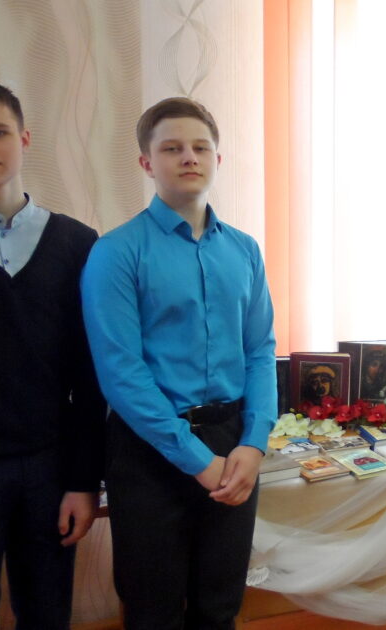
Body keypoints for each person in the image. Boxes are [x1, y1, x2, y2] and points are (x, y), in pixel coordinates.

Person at [81, 97, 276, 629]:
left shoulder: (245, 250)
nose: (189, 157)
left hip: (232, 442)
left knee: (220, 604)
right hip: (149, 448)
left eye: (200, 147)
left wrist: (254, 441)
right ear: (147, 162)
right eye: (172, 148)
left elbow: (260, 350)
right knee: (153, 609)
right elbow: (121, 373)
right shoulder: (116, 252)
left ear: (218, 159)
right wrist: (196, 460)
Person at [0, 75, 106, 630]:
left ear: (24, 139)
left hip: (50, 469)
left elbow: (91, 378)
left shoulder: (78, 244)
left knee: (48, 615)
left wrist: (83, 481)